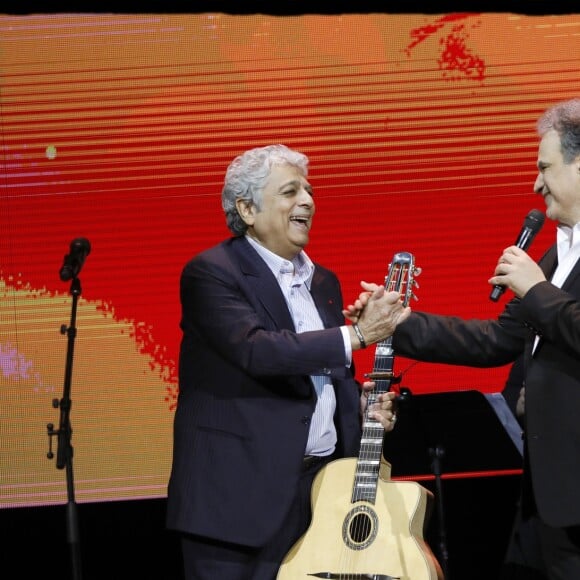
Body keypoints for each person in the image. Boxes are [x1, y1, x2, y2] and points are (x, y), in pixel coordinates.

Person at [345, 96, 580, 579]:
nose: (536, 183)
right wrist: (396, 322)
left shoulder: (542, 274)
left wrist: (535, 288)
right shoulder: (558, 257)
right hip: (548, 491)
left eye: (545, 167)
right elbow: (494, 340)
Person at [165, 144, 411, 580]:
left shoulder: (323, 282)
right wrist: (357, 335)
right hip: (235, 505)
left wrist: (356, 406)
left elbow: (323, 375)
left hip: (317, 499)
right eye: (290, 191)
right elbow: (258, 351)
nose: (308, 201)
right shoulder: (212, 272)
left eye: (310, 191)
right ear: (247, 209)